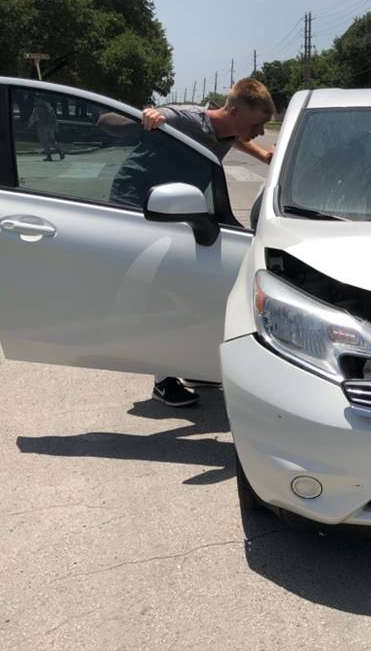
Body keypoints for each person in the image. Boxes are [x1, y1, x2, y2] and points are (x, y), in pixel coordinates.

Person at [98, 78, 276, 406]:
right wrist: (144, 118)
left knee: (190, 285)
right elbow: (106, 122)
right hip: (137, 204)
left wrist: (263, 154)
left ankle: (190, 367)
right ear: (234, 111)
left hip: (175, 206)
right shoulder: (181, 118)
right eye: (258, 125)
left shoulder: (229, 128)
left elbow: (231, 139)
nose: (262, 131)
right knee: (160, 291)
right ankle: (163, 379)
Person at [28, 97, 65, 162]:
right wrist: (56, 126)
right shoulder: (50, 107)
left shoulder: (38, 108)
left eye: (37, 99)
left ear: (40, 100)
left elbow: (33, 117)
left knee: (44, 142)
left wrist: (29, 124)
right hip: (51, 127)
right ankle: (60, 152)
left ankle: (49, 156)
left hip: (42, 127)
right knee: (52, 140)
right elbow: (54, 118)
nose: (36, 101)